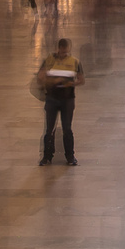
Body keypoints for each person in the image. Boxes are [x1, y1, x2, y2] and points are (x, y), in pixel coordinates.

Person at [37, 37, 84, 166]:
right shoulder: (49, 60)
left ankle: (70, 156)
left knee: (67, 129)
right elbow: (40, 78)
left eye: (66, 52)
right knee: (49, 129)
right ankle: (47, 156)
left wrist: (71, 83)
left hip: (67, 100)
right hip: (52, 99)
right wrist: (53, 81)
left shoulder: (74, 62)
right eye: (62, 52)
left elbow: (81, 80)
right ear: (58, 49)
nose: (64, 54)